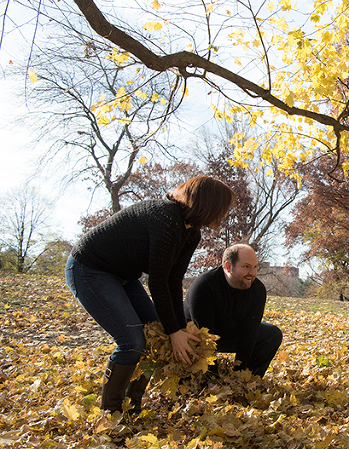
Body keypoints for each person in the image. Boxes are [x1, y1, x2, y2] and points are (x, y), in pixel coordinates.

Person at [65, 176, 236, 414]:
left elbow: (173, 281)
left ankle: (132, 409)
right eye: (223, 208)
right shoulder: (166, 218)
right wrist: (174, 331)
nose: (225, 214)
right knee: (132, 341)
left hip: (124, 276)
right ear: (209, 204)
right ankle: (111, 414)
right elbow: (157, 281)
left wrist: (178, 329)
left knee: (155, 335)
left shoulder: (191, 234)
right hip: (90, 269)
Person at [184, 244, 283, 378]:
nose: (252, 273)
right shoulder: (204, 287)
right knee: (196, 376)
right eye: (246, 266)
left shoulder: (257, 290)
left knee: (272, 335)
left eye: (255, 267)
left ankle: (250, 378)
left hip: (230, 333)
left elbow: (250, 333)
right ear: (228, 266)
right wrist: (213, 381)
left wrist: (240, 376)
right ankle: (205, 378)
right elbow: (205, 339)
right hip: (194, 339)